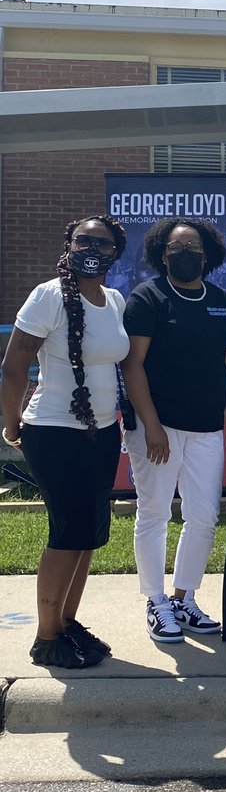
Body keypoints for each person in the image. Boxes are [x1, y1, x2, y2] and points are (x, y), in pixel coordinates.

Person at [0, 215, 129, 668]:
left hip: (102, 432)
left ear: (117, 252)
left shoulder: (113, 300)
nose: (92, 248)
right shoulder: (48, 295)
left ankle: (68, 623)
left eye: (103, 242)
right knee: (66, 532)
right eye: (84, 240)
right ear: (69, 244)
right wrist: (12, 423)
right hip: (54, 431)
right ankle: (46, 637)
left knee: (89, 534)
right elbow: (14, 366)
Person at [121, 217, 226, 644]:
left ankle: (184, 598)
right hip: (156, 428)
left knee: (203, 516)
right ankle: (156, 601)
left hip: (205, 429)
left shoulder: (220, 302)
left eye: (193, 247)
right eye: (176, 247)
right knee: (155, 512)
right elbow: (132, 365)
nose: (185, 253)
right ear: (163, 253)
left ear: (207, 254)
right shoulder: (148, 297)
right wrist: (152, 425)